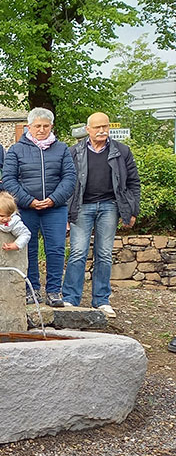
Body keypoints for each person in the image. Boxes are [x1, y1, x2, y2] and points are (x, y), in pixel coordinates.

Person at [61, 112, 140, 316]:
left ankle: (102, 300)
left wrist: (132, 210)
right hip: (81, 207)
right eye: (97, 127)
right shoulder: (74, 152)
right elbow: (67, 183)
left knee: (104, 254)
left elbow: (133, 183)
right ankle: (70, 298)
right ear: (88, 129)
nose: (102, 131)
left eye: (105, 126)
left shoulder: (122, 151)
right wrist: (66, 213)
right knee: (78, 253)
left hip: (109, 207)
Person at [1, 107, 76, 307]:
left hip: (55, 208)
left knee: (56, 249)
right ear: (29, 127)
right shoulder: (16, 149)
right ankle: (31, 289)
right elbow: (8, 179)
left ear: (51, 126)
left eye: (45, 126)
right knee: (28, 249)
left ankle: (53, 291)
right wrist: (28, 200)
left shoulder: (62, 149)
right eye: (37, 126)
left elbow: (69, 178)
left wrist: (53, 199)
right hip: (27, 209)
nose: (41, 130)